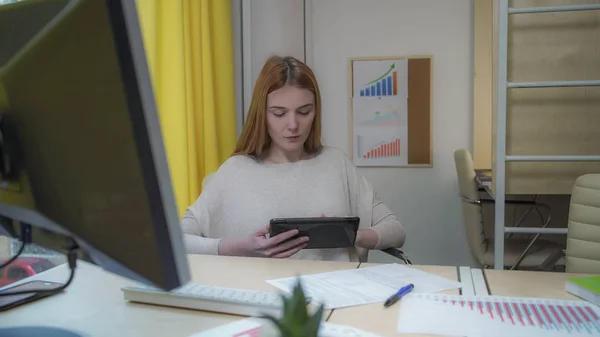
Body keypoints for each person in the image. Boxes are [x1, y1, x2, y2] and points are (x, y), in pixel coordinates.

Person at [180, 55, 406, 262]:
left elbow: (395, 231)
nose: (293, 125)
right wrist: (238, 247)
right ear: (262, 114)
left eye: (304, 111)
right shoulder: (235, 170)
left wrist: (348, 235)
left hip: (336, 296)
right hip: (265, 297)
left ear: (315, 112)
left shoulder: (336, 164)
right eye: (279, 113)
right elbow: (179, 239)